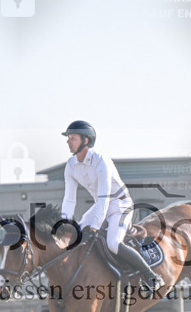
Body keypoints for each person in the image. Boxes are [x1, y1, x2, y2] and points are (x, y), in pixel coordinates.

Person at [60, 120, 164, 293]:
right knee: (75, 236)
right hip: (100, 205)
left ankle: (152, 276)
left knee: (113, 243)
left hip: (120, 204)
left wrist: (94, 227)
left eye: (73, 138)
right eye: (68, 138)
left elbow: (104, 198)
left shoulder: (101, 161)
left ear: (86, 141)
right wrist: (64, 224)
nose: (68, 141)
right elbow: (70, 200)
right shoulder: (70, 166)